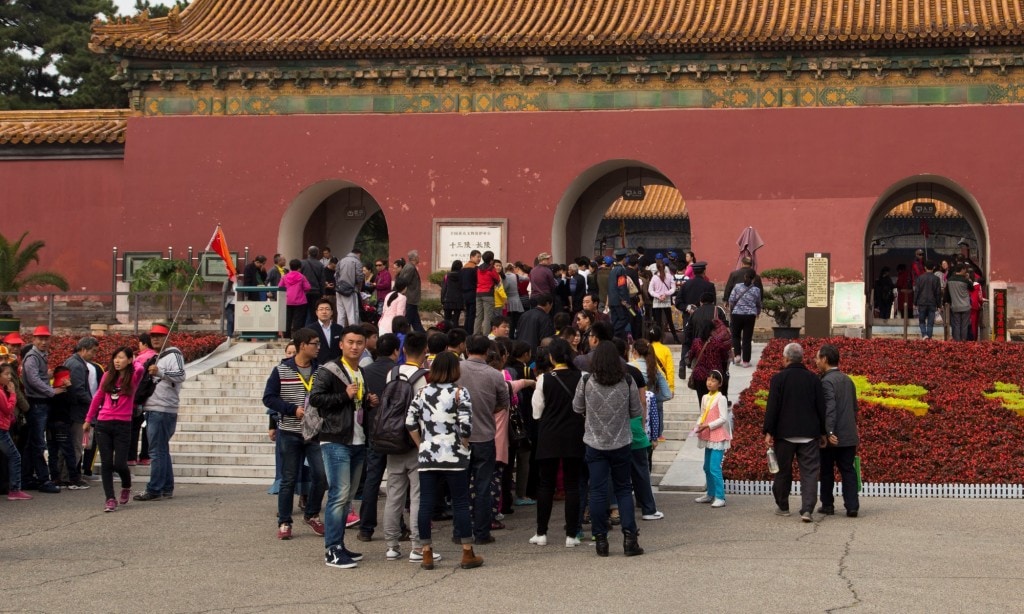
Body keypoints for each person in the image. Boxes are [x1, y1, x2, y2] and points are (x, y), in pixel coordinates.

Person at [310, 325, 379, 569]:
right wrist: (344, 396)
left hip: (358, 440)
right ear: (341, 344)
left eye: (360, 342)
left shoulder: (360, 371)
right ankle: (332, 550)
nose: (355, 346)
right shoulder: (329, 370)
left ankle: (339, 544)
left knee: (347, 497)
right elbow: (316, 399)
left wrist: (368, 402)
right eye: (350, 342)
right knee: (338, 496)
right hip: (335, 439)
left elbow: (356, 407)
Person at [406, 351, 483, 570]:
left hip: (428, 453)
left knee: (426, 503)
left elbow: (410, 422)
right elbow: (466, 427)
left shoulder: (422, 392)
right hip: (454, 454)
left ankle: (426, 552)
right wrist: (464, 444)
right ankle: (467, 552)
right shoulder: (460, 393)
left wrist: (421, 443)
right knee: (460, 501)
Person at [572, 340, 643, 557]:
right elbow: (635, 411)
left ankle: (601, 540)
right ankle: (630, 538)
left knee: (597, 490)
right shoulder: (627, 380)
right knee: (623, 489)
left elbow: (577, 407)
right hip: (621, 441)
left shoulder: (586, 381)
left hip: (594, 442)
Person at [262, 328, 327, 540]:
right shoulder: (281, 370)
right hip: (289, 431)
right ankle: (284, 521)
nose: (318, 347)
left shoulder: (321, 371)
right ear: (302, 346)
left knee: (321, 475)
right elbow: (269, 398)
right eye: (314, 343)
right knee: (288, 479)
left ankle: (312, 514)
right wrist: (291, 409)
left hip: (314, 433)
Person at [528, 338, 585, 546]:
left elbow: (536, 411)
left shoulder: (545, 379)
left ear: (551, 357)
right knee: (572, 485)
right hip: (574, 435)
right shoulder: (582, 377)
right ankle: (571, 535)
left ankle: (541, 533)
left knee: (546, 485)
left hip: (549, 435)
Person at [763, 342, 826, 522]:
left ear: (786, 358)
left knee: (783, 470)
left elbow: (772, 407)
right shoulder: (814, 379)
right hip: (809, 433)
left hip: (784, 434)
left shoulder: (778, 379)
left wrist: (769, 431)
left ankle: (783, 506)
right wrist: (823, 432)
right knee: (809, 473)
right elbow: (821, 407)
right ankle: (807, 509)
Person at [458, 334, 510, 545]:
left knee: (460, 486)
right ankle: (482, 532)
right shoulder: (495, 375)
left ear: (467, 348)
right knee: (483, 486)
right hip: (485, 435)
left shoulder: (456, 369)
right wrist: (487, 410)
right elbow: (503, 403)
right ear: (488, 350)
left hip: (460, 437)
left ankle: (460, 531)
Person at [84, 346, 144, 512]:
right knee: (106, 463)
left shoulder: (133, 376)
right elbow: (98, 397)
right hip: (104, 423)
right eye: (115, 358)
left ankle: (126, 485)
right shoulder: (107, 376)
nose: (117, 361)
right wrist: (88, 419)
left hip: (123, 425)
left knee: (120, 464)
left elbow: (141, 367)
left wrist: (134, 361)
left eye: (121, 358)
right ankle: (110, 498)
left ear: (130, 360)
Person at [355, 332, 401, 543]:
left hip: (374, 431)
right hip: (397, 434)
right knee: (398, 481)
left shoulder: (365, 371)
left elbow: (360, 401)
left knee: (372, 480)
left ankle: (366, 528)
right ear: (395, 351)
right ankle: (398, 525)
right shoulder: (398, 372)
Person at [134, 323, 186, 502]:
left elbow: (180, 374)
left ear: (167, 337)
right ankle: (165, 487)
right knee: (161, 450)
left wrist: (160, 372)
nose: (155, 339)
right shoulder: (158, 356)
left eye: (160, 336)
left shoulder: (173, 354)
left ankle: (154, 488)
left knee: (156, 451)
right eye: (153, 336)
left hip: (162, 409)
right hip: (156, 408)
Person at [815, 344, 860, 518]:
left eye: (818, 358)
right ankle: (852, 506)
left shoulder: (826, 381)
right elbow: (854, 408)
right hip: (849, 434)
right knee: (848, 470)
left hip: (832, 437)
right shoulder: (848, 380)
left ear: (825, 359)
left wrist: (829, 432)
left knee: (827, 470)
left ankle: (828, 505)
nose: (816, 361)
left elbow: (830, 409)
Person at [21, 325, 67, 494]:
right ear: (33, 340)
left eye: (46, 338)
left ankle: (26, 478)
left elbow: (36, 377)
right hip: (37, 403)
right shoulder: (32, 357)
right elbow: (32, 379)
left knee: (32, 444)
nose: (43, 341)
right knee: (39, 443)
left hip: (40, 403)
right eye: (40, 338)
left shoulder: (39, 356)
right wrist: (51, 391)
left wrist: (49, 376)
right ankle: (43, 480)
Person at [63, 336, 100, 481]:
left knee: (73, 445)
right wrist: (93, 404)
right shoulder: (77, 365)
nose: (94, 355)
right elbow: (78, 390)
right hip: (77, 411)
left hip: (73, 410)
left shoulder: (72, 362)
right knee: (76, 445)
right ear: (83, 350)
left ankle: (68, 475)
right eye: (93, 351)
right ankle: (70, 476)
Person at [694, 370, 732, 508]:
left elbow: (723, 418)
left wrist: (708, 426)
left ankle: (720, 496)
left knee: (714, 467)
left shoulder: (721, 398)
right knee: (707, 467)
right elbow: (702, 414)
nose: (710, 382)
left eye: (713, 380)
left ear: (720, 383)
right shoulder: (705, 397)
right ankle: (710, 494)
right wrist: (698, 425)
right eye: (708, 379)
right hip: (708, 434)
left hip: (718, 435)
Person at [1, 363, 32, 500]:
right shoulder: (1, 392)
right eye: (6, 374)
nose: (9, 377)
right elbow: (8, 409)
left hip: (3, 427)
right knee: (15, 456)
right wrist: (13, 394)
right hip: (1, 429)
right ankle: (15, 489)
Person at [129, 334, 155, 467]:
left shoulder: (139, 359)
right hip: (151, 400)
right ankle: (145, 457)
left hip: (137, 399)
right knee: (147, 430)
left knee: (134, 429)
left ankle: (131, 457)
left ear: (144, 343)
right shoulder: (157, 356)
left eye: (139, 343)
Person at [728, 269, 762, 366]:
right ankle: (746, 361)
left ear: (745, 277)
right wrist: (758, 312)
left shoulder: (737, 287)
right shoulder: (757, 290)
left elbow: (731, 300)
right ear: (754, 279)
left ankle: (737, 355)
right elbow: (758, 303)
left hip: (737, 314)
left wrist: (732, 309)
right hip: (750, 315)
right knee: (747, 338)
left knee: (735, 335)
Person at [648, 258, 679, 342]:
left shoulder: (654, 277)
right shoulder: (670, 277)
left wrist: (658, 296)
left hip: (657, 301)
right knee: (669, 320)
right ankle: (675, 338)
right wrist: (666, 294)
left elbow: (650, 290)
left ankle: (658, 339)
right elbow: (673, 289)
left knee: (658, 322)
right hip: (666, 300)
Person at [604, 249, 632, 340]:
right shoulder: (621, 270)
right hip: (620, 301)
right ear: (624, 259)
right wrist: (624, 300)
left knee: (615, 321)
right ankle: (612, 336)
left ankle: (615, 339)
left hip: (613, 300)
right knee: (624, 319)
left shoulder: (613, 270)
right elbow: (622, 286)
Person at [474, 251, 503, 335]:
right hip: (488, 294)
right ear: (491, 260)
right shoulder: (491, 269)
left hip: (478, 293)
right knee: (487, 317)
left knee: (478, 316)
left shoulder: (478, 268)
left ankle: (475, 334)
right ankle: (485, 336)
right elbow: (497, 280)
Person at [281, 258, 311, 338]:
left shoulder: (285, 277)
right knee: (298, 320)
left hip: (287, 301)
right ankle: (297, 337)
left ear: (290, 267)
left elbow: (280, 287)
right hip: (300, 302)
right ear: (299, 268)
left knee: (287, 320)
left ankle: (286, 336)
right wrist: (303, 292)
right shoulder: (302, 277)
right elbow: (307, 287)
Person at [396, 250, 424, 332]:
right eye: (418, 256)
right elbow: (404, 281)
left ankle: (422, 336)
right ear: (415, 258)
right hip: (410, 298)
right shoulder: (410, 268)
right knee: (407, 321)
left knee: (416, 322)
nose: (419, 258)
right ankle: (403, 337)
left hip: (411, 299)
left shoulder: (408, 266)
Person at [913, 261, 942, 339]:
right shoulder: (936, 279)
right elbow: (938, 293)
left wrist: (915, 302)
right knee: (930, 322)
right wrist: (939, 305)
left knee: (921, 321)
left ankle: (924, 334)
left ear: (925, 268)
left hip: (921, 302)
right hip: (932, 303)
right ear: (933, 268)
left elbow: (917, 291)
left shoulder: (920, 278)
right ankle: (929, 336)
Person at [310, 298, 343, 364]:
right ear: (316, 312)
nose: (324, 312)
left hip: (336, 365)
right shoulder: (310, 329)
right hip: (317, 365)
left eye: (327, 309)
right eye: (321, 309)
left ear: (332, 312)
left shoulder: (339, 328)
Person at [945, 263, 973, 341]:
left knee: (956, 324)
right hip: (965, 306)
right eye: (965, 270)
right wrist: (968, 278)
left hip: (955, 306)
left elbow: (947, 294)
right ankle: (963, 340)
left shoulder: (950, 280)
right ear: (963, 270)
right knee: (964, 325)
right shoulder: (965, 280)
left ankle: (957, 342)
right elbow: (972, 288)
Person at [335, 248, 363, 326]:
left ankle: (339, 332)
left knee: (340, 314)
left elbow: (336, 275)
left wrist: (339, 285)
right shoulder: (356, 261)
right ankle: (353, 332)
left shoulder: (341, 260)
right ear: (358, 254)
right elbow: (360, 277)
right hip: (350, 290)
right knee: (352, 314)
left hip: (339, 290)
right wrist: (358, 287)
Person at [300, 246, 327, 326]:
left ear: (308, 252)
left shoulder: (302, 263)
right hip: (316, 292)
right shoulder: (320, 265)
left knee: (303, 312)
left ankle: (303, 330)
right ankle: (312, 328)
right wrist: (323, 293)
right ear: (318, 254)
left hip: (304, 292)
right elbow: (322, 281)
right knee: (314, 312)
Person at [441, 260, 464, 325]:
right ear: (461, 267)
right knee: (456, 320)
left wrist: (442, 300)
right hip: (458, 300)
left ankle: (446, 333)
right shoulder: (462, 276)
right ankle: (455, 333)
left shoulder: (447, 276)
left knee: (446, 320)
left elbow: (444, 289)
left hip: (448, 300)